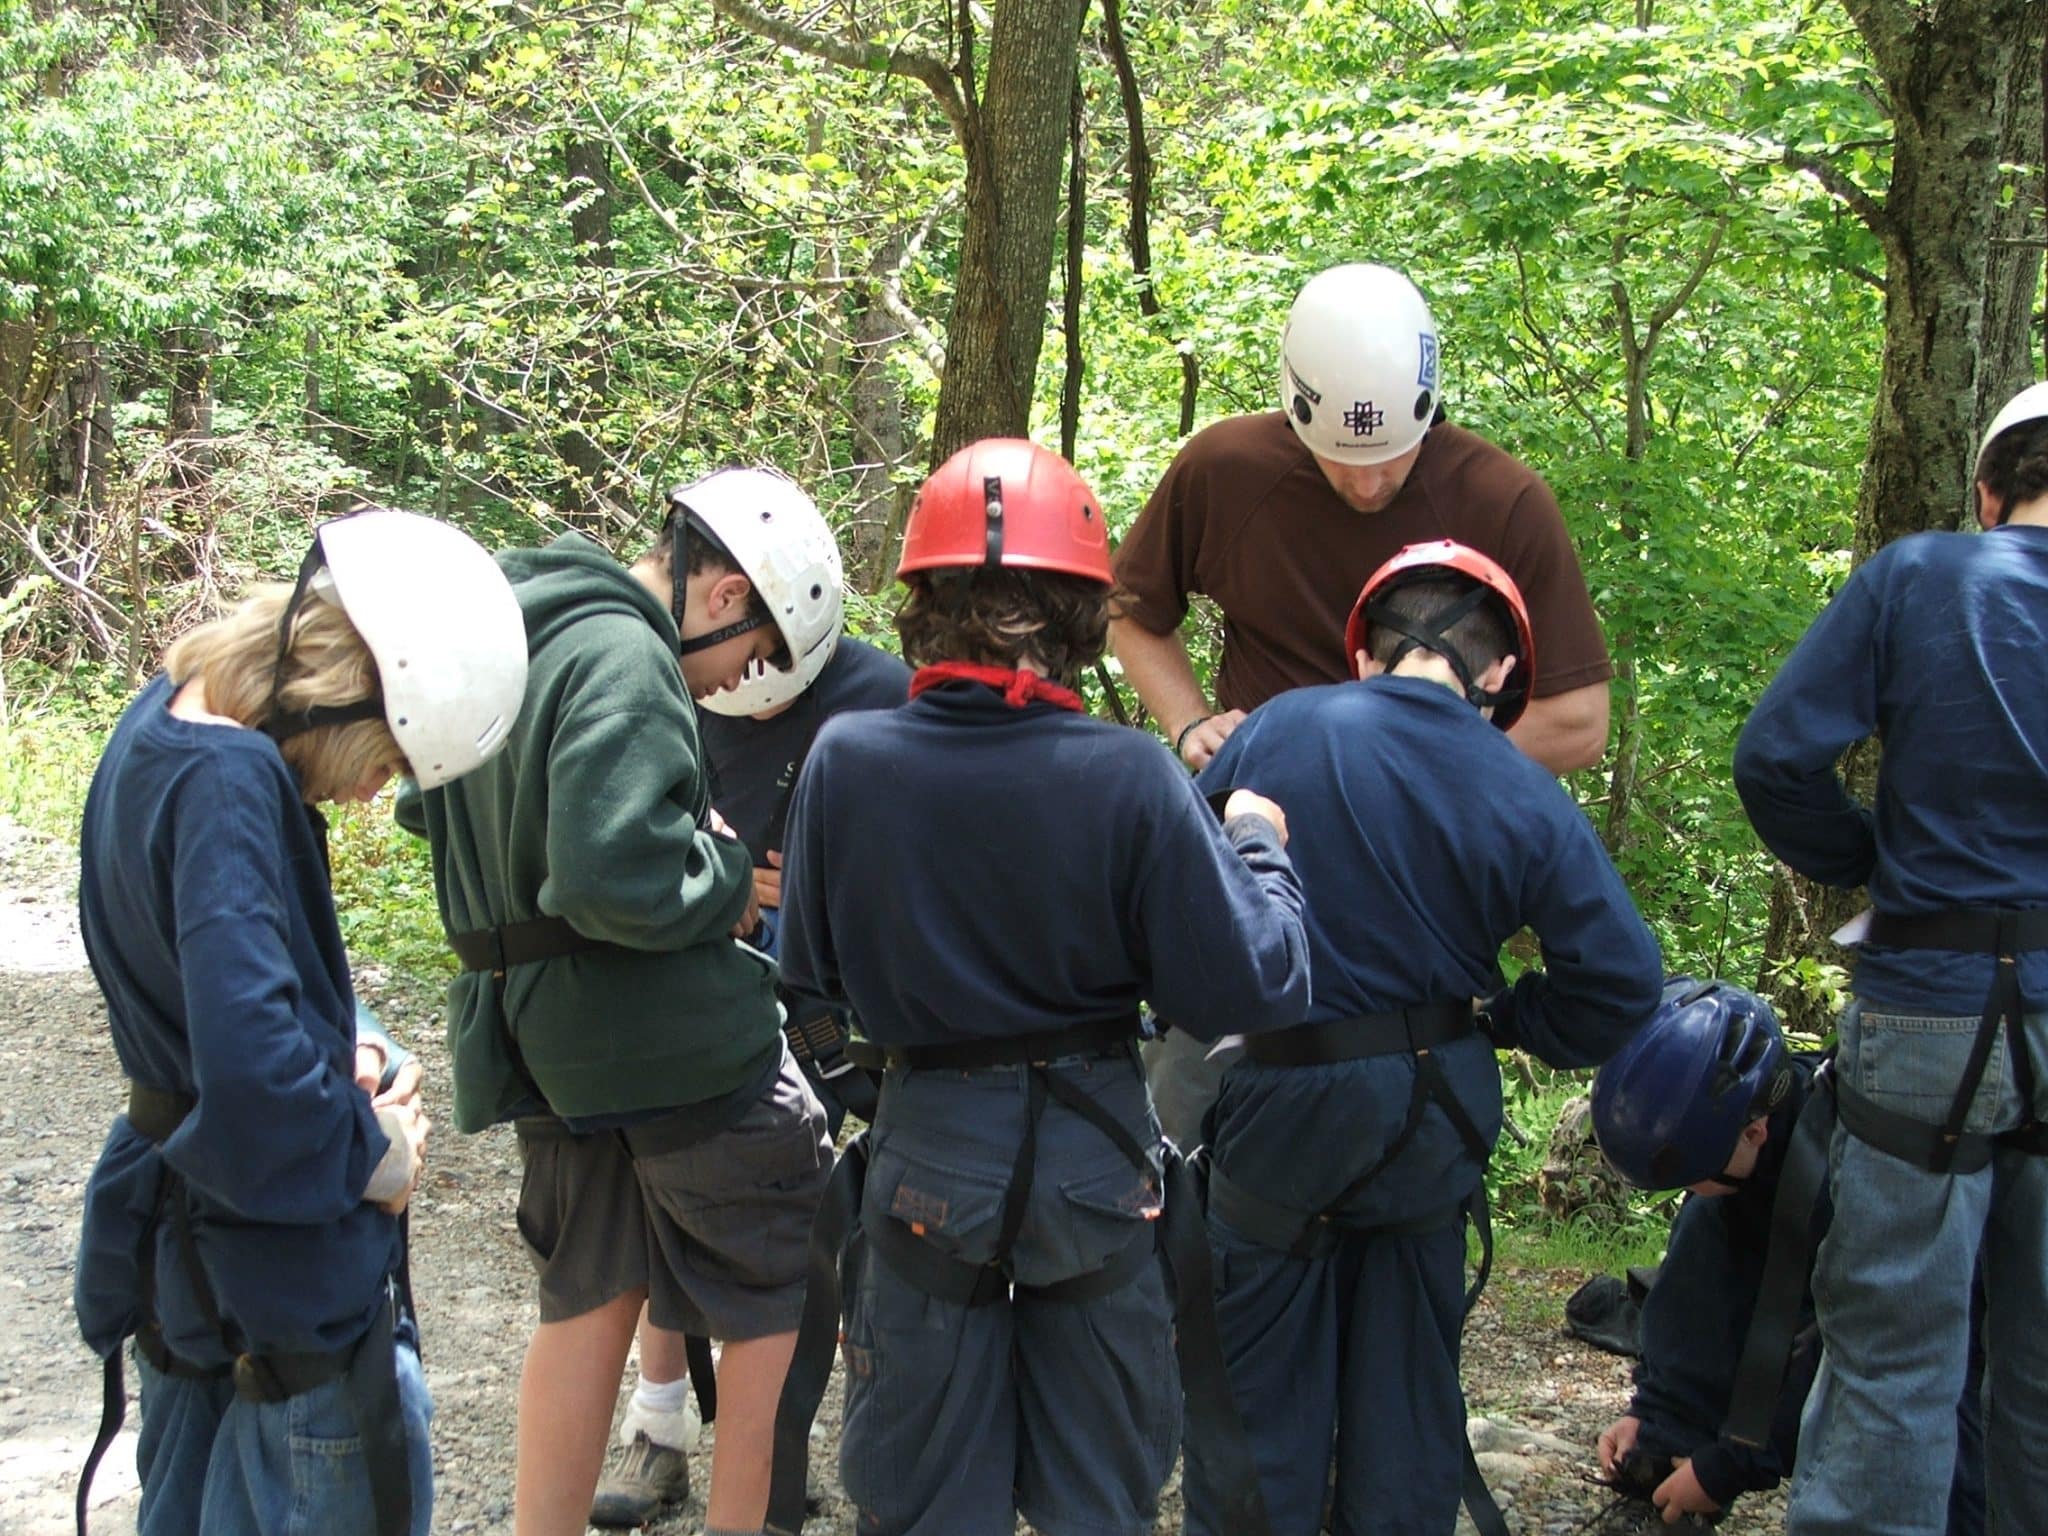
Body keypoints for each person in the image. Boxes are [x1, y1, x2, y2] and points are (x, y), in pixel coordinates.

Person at [771, 437, 1312, 1536]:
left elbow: (809, 978)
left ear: (921, 602)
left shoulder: (847, 762)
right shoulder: (1126, 775)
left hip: (928, 1152)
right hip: (1095, 1161)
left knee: (922, 1501)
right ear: (1078, 616)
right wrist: (1257, 846)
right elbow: (1255, 981)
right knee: (1096, 1499)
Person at [1186, 539, 1663, 1536]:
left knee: (1254, 1408)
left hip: (1285, 1092)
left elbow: (1171, 895)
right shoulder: (1518, 784)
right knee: (1403, 1407)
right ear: (1497, 676)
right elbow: (1619, 982)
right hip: (1431, 1111)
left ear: (1363, 652)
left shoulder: (1277, 730)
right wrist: (1507, 1019)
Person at [72, 508, 529, 1536]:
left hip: (187, 1256)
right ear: (353, 695)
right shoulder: (233, 784)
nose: (374, 793)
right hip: (273, 1274)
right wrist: (376, 1150)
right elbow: (256, 1077)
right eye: (387, 762)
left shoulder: (163, 722)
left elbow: (208, 979)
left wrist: (348, 1031)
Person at [397, 475, 839, 1536]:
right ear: (726, 592)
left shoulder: (504, 630)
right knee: (772, 1294)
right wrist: (725, 880)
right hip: (671, 1041)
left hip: (537, 1037)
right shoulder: (626, 652)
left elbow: (425, 802)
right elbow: (607, 875)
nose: (744, 682)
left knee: (587, 1299)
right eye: (758, 653)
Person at [1111, 262, 1614, 1145]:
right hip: (1254, 845)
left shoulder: (1501, 503)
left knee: (1398, 1133)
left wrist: (1409, 763)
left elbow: (1578, 720)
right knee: (1174, 1134)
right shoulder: (1228, 471)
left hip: (1413, 877)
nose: (1370, 485)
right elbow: (1132, 612)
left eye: (1391, 459)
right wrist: (1190, 722)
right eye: (1343, 461)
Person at [1732, 381, 2048, 1536]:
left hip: (1927, 1004)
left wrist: (1872, 861)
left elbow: (1774, 759)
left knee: (1890, 1364)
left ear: (1985, 490)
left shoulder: (1921, 575)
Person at [588, 468, 905, 1530]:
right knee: (650, 1210)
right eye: (746, 656)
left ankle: (783, 1458)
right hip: (692, 986)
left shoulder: (876, 694)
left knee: (810, 1228)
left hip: (830, 997)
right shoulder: (651, 673)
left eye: (771, 663)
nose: (752, 677)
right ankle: (661, 1424)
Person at [1590, 978, 1986, 1533]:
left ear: (1754, 1131)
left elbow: (1851, 1342)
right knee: (1705, 1223)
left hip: (1957, 1320)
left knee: (1949, 1425)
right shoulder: (1733, 1163)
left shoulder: (1859, 1174)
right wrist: (1653, 1418)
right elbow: (1696, 1292)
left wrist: (1730, 1464)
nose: (1688, 1188)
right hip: (1837, 1274)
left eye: (1691, 1175)